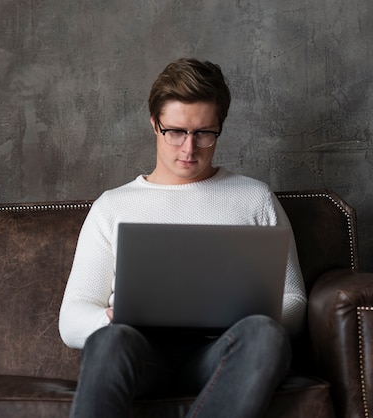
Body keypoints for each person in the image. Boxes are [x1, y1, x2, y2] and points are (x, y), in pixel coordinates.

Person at [58, 58, 307, 418]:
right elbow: (72, 318)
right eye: (175, 132)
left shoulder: (254, 198)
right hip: (141, 358)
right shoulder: (112, 206)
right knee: (110, 340)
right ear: (154, 125)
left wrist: (242, 314)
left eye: (205, 133)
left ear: (220, 127)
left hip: (222, 354)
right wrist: (111, 318)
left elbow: (295, 302)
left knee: (265, 333)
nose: (189, 149)